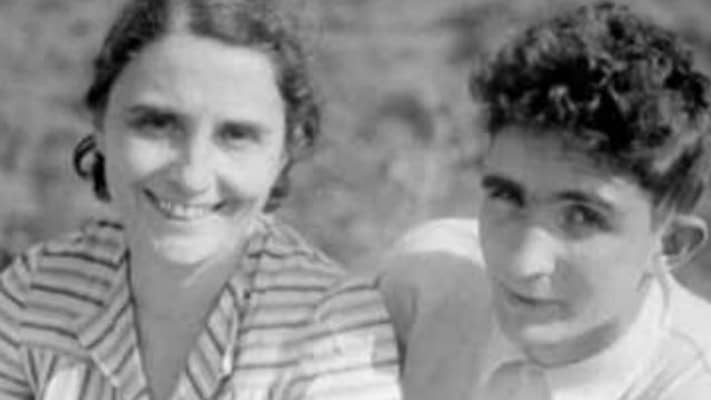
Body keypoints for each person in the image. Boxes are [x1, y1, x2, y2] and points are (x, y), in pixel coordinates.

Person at [0, 0, 401, 399]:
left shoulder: (330, 330)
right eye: (157, 123)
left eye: (236, 135)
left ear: (285, 151)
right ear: (100, 125)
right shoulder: (37, 291)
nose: (192, 177)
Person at [378, 2, 711, 399]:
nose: (523, 264)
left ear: (671, 243)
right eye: (507, 196)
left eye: (582, 217)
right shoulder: (421, 285)